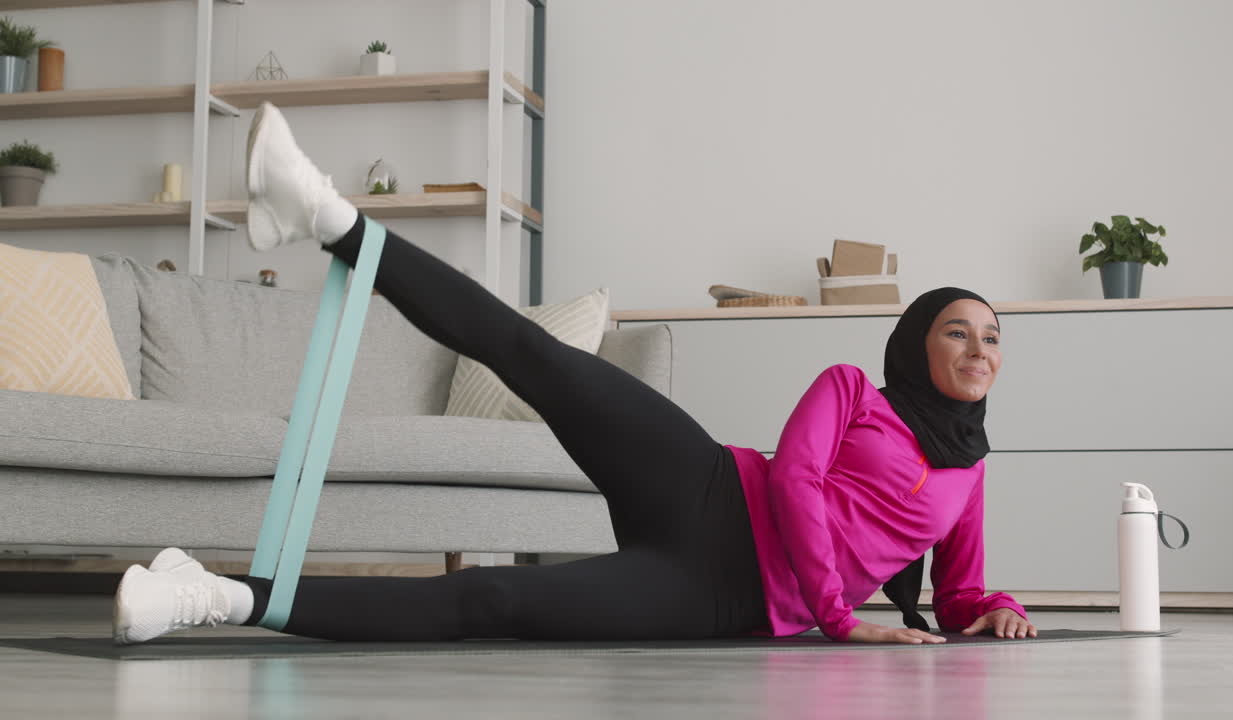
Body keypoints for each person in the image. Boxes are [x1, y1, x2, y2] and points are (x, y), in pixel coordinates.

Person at [113, 102, 1037, 646]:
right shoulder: (850, 389)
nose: (979, 351)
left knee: (495, 599)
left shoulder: (970, 470)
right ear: (917, 340)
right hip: (710, 486)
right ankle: (321, 213)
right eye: (958, 332)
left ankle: (214, 597)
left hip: (721, 596)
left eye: (992, 339)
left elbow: (957, 592)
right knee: (535, 354)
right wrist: (842, 622)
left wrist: (993, 610)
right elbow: (795, 482)